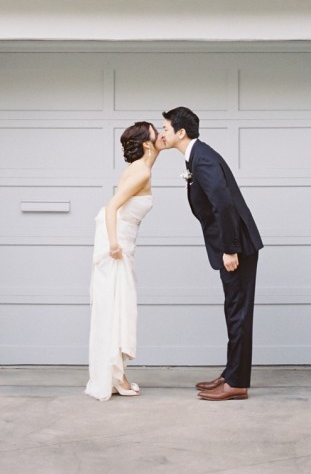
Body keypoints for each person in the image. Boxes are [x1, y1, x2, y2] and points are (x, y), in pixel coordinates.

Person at [161, 105, 263, 401]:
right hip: (232, 246)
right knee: (233, 310)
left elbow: (224, 206)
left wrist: (230, 250)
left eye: (165, 129)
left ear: (181, 132)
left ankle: (237, 383)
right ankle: (231, 373)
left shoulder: (202, 159)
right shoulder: (198, 156)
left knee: (238, 313)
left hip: (237, 248)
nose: (163, 134)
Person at [85, 120, 160, 401]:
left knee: (119, 306)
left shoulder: (143, 166)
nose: (162, 136)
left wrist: (163, 145)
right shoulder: (141, 173)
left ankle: (117, 375)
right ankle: (116, 379)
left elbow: (154, 152)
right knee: (115, 308)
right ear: (146, 144)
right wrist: (114, 244)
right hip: (115, 240)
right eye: (157, 133)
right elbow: (112, 206)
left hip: (122, 238)